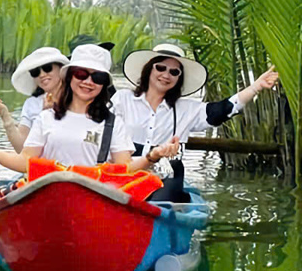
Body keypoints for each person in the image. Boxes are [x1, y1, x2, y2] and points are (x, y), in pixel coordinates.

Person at [0, 44, 179, 173]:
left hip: (92, 199)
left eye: (98, 76)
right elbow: (26, 162)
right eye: (82, 74)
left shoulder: (112, 123)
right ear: (70, 76)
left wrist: (153, 155)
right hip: (50, 195)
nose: (88, 81)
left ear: (104, 83)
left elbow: (123, 168)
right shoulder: (46, 118)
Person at [114, 43, 279, 200]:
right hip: (125, 170)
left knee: (164, 197)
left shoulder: (187, 108)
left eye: (174, 72)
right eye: (161, 68)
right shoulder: (123, 99)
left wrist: (256, 87)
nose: (166, 75)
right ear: (149, 69)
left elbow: (224, 109)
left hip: (164, 176)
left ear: (179, 78)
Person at [0, 47, 69, 152]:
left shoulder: (78, 98)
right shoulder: (32, 104)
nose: (42, 75)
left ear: (61, 69)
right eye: (35, 72)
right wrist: (3, 113)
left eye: (47, 68)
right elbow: (22, 148)